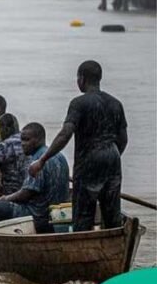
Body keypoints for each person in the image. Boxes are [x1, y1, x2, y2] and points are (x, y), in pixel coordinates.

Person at [28, 61, 127, 231]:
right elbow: (123, 139)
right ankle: (114, 245)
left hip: (89, 160)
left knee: (83, 214)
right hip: (113, 157)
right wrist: (110, 157)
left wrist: (42, 160)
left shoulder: (79, 103)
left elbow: (65, 134)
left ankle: (84, 245)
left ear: (82, 78)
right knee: (112, 213)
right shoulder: (116, 104)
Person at [0, 123, 70, 232]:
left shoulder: (37, 161)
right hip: (56, 214)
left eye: (26, 140)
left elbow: (26, 193)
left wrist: (5, 198)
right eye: (22, 140)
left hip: (36, 214)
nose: (22, 144)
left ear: (39, 140)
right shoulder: (59, 155)